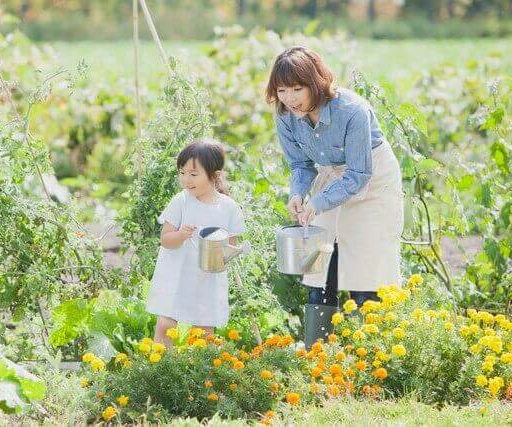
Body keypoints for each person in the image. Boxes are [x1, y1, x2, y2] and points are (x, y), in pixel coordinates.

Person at [265, 46, 404, 345]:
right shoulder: (285, 115)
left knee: (367, 266)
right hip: (331, 179)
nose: (290, 98)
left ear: (315, 82)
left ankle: (370, 354)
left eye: (297, 88)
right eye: (282, 90)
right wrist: (299, 194)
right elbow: (301, 164)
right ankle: (320, 355)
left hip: (372, 182)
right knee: (321, 261)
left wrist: (317, 202)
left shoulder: (352, 110)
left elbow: (358, 175)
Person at [146, 138, 246, 346]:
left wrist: (225, 254)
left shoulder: (228, 207)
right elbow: (165, 240)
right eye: (182, 173)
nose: (186, 179)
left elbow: (231, 245)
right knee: (166, 323)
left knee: (204, 331)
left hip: (207, 279)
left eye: (193, 174)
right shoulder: (181, 201)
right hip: (177, 274)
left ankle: (202, 375)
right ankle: (160, 370)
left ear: (215, 175)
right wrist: (181, 235)